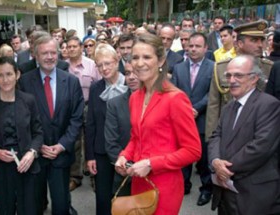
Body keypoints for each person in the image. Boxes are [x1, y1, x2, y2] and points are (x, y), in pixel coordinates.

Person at [115, 34, 201, 215]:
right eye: (135, 57)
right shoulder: (135, 97)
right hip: (139, 181)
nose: (139, 63)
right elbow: (136, 137)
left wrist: (152, 164)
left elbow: (193, 150)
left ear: (161, 60)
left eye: (147, 57)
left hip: (165, 185)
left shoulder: (175, 98)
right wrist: (124, 156)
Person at [19, 35, 84, 215]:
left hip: (61, 156)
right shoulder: (24, 82)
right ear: (36, 56)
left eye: (53, 52)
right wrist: (36, 147)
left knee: (61, 204)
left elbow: (77, 118)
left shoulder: (71, 81)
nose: (49, 57)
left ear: (58, 54)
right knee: (34, 205)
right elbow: (23, 120)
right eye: (44, 53)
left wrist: (62, 145)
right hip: (35, 157)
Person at [208, 55, 280, 214]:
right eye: (229, 75)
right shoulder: (229, 107)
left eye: (238, 75)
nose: (232, 80)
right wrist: (215, 161)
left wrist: (224, 169)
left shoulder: (269, 105)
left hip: (254, 195)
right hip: (226, 194)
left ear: (254, 78)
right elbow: (215, 137)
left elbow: (261, 147)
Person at [0, 57, 44, 215]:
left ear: (17, 74)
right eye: (0, 75)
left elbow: (38, 132)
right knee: (3, 210)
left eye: (9, 74)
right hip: (0, 169)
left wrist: (32, 153)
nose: (5, 79)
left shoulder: (29, 100)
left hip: (26, 165)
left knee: (29, 210)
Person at [205, 19, 274, 141]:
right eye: (254, 40)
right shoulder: (222, 68)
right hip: (229, 133)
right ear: (240, 44)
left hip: (261, 134)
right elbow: (214, 107)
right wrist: (211, 141)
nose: (260, 44)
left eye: (262, 40)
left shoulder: (270, 68)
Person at [171, 32, 214, 205]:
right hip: (182, 120)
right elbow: (173, 91)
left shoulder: (213, 67)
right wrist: (185, 109)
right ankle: (184, 185)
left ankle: (206, 189)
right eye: (191, 46)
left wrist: (196, 108)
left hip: (202, 119)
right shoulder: (179, 67)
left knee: (204, 159)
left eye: (198, 46)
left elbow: (213, 93)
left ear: (206, 48)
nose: (193, 49)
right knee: (183, 156)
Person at [85, 43, 128, 215]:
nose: (104, 68)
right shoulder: (96, 88)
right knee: (103, 197)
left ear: (117, 60)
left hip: (127, 150)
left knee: (125, 196)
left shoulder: (131, 82)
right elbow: (90, 124)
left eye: (107, 63)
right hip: (102, 151)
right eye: (99, 65)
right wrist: (90, 156)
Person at [66, 36, 100, 192]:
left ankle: (94, 176)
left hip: (89, 106)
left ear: (81, 47)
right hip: (70, 109)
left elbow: (99, 85)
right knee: (74, 142)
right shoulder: (63, 66)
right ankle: (75, 177)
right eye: (69, 46)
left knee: (92, 140)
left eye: (75, 46)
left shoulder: (91, 65)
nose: (72, 49)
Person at [105, 59, 140, 196]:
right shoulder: (115, 104)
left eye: (135, 72)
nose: (131, 77)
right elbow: (111, 141)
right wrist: (128, 167)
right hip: (124, 172)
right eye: (127, 73)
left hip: (153, 172)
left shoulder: (160, 101)